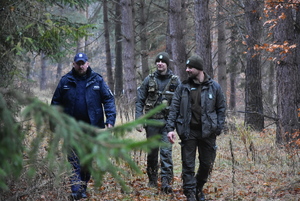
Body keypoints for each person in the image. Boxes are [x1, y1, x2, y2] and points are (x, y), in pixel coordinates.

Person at [51, 52, 116, 200]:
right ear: (74, 64)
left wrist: (110, 120)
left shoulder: (97, 80)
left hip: (91, 128)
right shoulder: (65, 81)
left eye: (83, 63)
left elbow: (108, 100)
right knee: (73, 160)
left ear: (88, 64)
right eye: (78, 63)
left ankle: (83, 187)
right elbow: (55, 103)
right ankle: (75, 190)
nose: (81, 66)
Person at [166, 55, 226, 201]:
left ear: (198, 69)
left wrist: (218, 127)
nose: (187, 70)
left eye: (190, 67)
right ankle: (190, 193)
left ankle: (198, 187)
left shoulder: (214, 87)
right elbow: (174, 108)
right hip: (188, 131)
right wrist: (170, 128)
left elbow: (221, 108)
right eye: (187, 67)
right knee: (188, 165)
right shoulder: (183, 87)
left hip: (208, 132)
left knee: (207, 164)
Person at [135, 52, 180, 194]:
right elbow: (140, 99)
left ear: (167, 64)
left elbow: (181, 103)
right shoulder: (149, 80)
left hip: (167, 123)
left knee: (166, 153)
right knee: (152, 153)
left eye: (163, 62)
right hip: (152, 123)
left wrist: (179, 123)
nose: (160, 64)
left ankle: (166, 182)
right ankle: (153, 180)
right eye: (158, 62)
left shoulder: (175, 81)